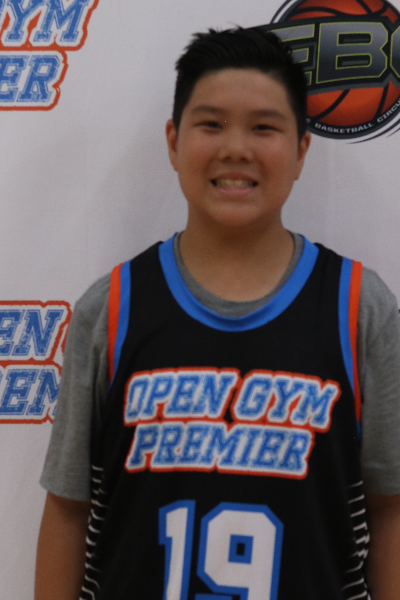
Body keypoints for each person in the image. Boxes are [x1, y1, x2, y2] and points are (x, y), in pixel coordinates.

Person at [35, 27, 400, 600]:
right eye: (211, 124)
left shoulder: (358, 306)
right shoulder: (112, 307)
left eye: (264, 127)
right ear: (173, 141)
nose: (236, 148)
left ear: (302, 150)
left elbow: (389, 508)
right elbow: (67, 509)